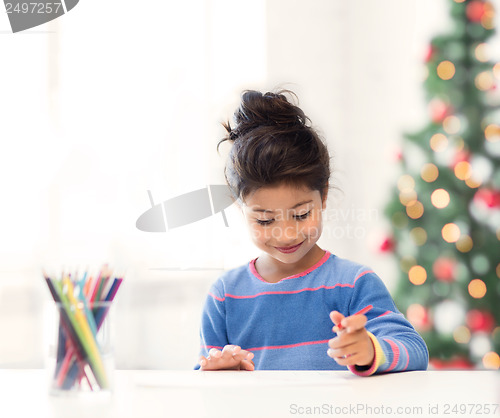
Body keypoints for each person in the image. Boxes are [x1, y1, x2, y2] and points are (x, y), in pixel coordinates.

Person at [196, 89, 428, 375]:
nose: (287, 234)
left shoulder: (353, 284)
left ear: (324, 195)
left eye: (301, 214)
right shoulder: (225, 296)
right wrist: (221, 374)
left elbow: (414, 349)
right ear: (239, 207)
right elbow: (203, 377)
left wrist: (369, 350)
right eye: (265, 220)